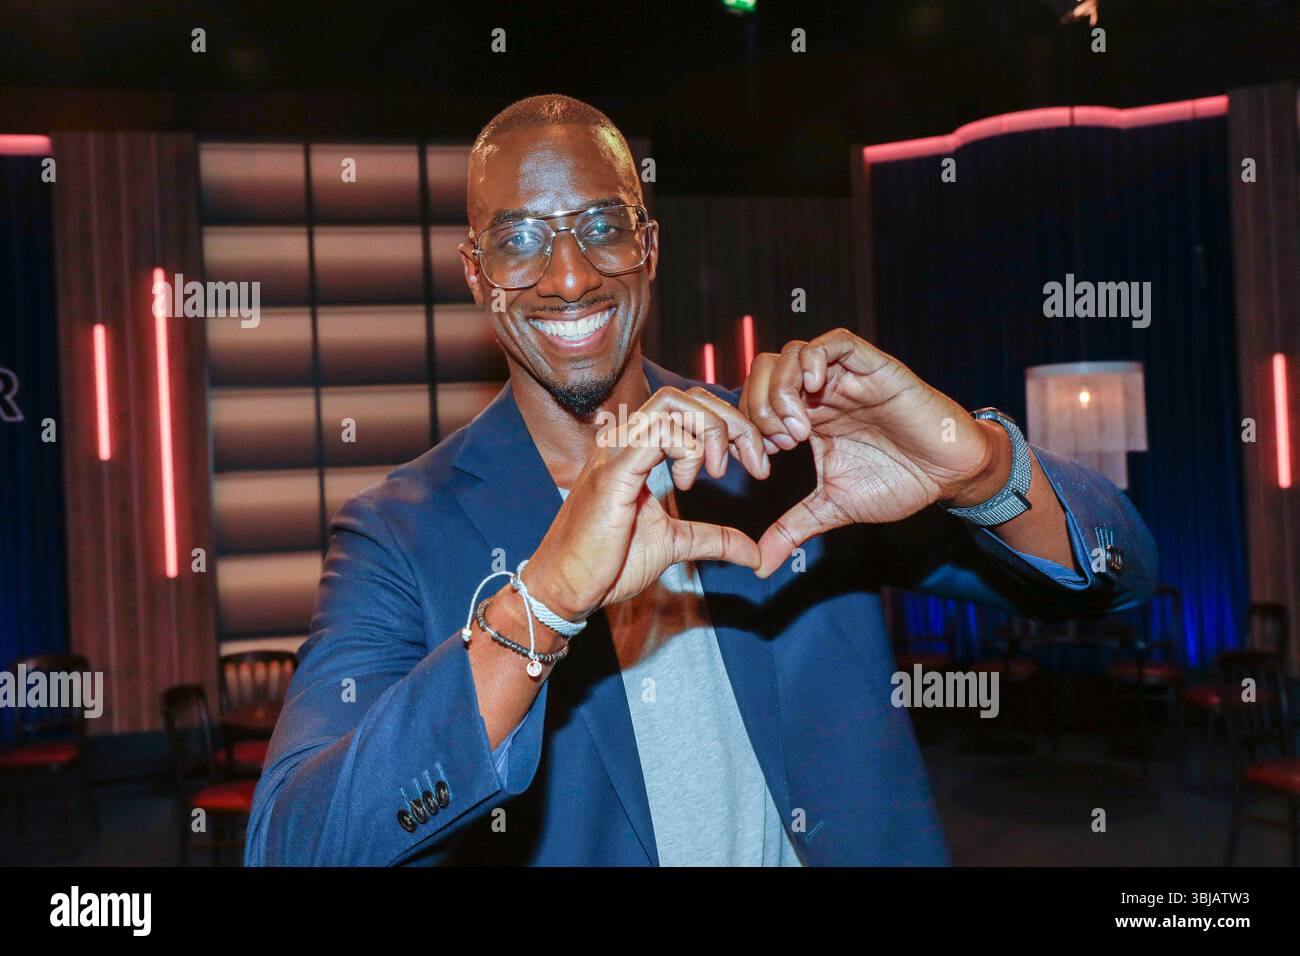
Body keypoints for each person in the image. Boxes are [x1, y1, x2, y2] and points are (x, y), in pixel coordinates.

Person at [245, 94, 1156, 866]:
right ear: (477, 274)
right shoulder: (400, 530)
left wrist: (982, 471)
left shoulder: (787, 449)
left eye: (603, 227)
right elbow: (296, 843)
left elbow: (1121, 579)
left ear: (647, 244)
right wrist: (549, 599)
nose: (569, 275)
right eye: (521, 240)